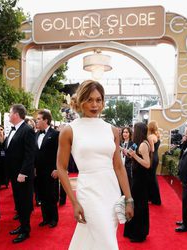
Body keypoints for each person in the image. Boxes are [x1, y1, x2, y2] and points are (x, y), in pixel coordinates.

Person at [57, 80, 134, 250]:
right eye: (90, 100)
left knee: (91, 239)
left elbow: (119, 167)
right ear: (81, 101)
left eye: (98, 100)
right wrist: (74, 202)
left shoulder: (112, 130)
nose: (94, 105)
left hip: (111, 191)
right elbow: (61, 168)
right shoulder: (69, 130)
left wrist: (129, 199)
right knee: (107, 242)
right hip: (89, 192)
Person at [5, 104, 35, 243]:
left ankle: (25, 230)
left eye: (10, 112)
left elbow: (30, 155)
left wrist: (23, 172)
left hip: (22, 175)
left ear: (16, 114)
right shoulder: (14, 130)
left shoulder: (27, 130)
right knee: (18, 203)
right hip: (14, 174)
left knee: (24, 202)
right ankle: (22, 226)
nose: (8, 115)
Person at [124, 122, 151, 242]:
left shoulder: (144, 145)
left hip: (141, 180)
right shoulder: (137, 144)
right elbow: (129, 153)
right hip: (136, 178)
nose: (132, 132)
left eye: (135, 130)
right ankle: (132, 231)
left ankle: (139, 234)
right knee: (135, 205)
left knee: (139, 206)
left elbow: (147, 164)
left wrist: (134, 156)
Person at [35, 110, 59, 228]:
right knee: (42, 195)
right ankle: (45, 218)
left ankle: (54, 218)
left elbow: (59, 153)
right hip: (38, 171)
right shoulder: (36, 134)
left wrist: (57, 169)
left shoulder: (55, 134)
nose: (37, 121)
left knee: (51, 195)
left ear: (46, 120)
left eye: (39, 119)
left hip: (51, 171)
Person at [147, 120, 161, 205]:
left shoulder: (150, 137)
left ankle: (154, 199)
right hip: (156, 157)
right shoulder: (157, 135)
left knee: (151, 178)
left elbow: (152, 149)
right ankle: (154, 199)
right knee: (153, 178)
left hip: (152, 158)